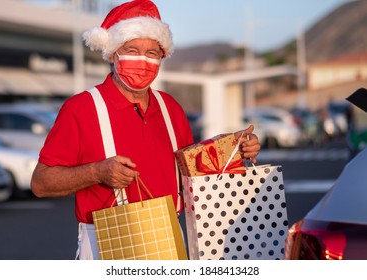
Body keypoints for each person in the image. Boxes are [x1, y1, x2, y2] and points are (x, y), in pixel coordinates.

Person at [30, 0, 261, 260]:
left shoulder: (170, 107)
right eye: (132, 49)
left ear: (162, 58)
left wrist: (233, 150)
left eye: (152, 53)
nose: (142, 60)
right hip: (105, 240)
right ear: (113, 53)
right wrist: (97, 172)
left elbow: (190, 171)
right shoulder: (81, 108)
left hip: (168, 236)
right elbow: (41, 183)